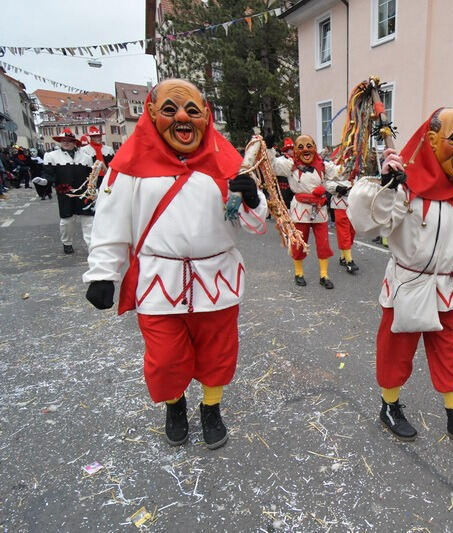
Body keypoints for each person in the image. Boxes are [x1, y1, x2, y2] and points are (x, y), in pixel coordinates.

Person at [83, 79, 268, 450]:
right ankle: (175, 405)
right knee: (165, 359)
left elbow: (254, 223)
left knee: (218, 353)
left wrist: (252, 199)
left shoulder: (226, 163)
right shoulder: (129, 167)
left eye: (191, 111)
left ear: (206, 116)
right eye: (170, 109)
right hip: (158, 283)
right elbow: (110, 223)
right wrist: (103, 272)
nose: (182, 118)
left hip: (217, 282)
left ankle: (211, 408)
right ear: (151, 114)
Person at [347, 107, 453, 450]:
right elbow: (367, 223)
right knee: (396, 351)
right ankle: (389, 406)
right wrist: (385, 184)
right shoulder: (406, 185)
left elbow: (448, 235)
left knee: (451, 352)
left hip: (446, 287)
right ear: (430, 140)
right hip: (408, 285)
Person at [272, 135, 341, 289]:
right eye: (301, 147)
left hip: (319, 210)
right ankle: (298, 273)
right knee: (298, 244)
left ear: (315, 147)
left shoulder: (323, 165)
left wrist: (352, 158)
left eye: (309, 146)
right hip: (300, 210)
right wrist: (270, 148)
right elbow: (273, 165)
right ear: (296, 149)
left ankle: (324, 275)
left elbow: (339, 172)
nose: (305, 150)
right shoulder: (290, 164)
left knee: (323, 243)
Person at [42, 128, 95, 254]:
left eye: (69, 141)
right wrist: (45, 182)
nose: (66, 143)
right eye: (63, 140)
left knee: (89, 221)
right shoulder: (51, 156)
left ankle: (92, 247)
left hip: (84, 193)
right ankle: (67, 242)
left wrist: (94, 190)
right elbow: (48, 174)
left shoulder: (86, 158)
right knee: (67, 221)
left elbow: (92, 176)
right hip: (65, 193)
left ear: (74, 142)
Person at [325, 148, 361, 275]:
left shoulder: (357, 167)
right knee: (344, 232)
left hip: (353, 204)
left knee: (351, 231)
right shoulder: (334, 168)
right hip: (340, 204)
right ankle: (349, 261)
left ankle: (343, 257)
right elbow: (327, 183)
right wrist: (337, 188)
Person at [276, 137, 295, 208]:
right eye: (291, 149)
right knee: (284, 203)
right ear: (287, 150)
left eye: (293, 149)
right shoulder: (280, 160)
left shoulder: (296, 159)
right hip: (284, 185)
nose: (293, 151)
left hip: (294, 185)